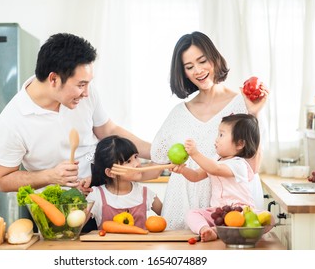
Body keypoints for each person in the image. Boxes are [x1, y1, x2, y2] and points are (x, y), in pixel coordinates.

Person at [0, 33, 151, 193]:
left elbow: (108, 131)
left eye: (88, 83)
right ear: (53, 79)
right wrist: (50, 176)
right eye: (81, 85)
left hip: (100, 197)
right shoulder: (11, 123)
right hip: (56, 211)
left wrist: (158, 152)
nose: (86, 93)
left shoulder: (84, 93)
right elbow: (3, 180)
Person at [151, 31, 269, 230]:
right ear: (184, 73)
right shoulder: (179, 113)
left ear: (214, 58)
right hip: (183, 204)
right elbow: (158, 157)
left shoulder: (243, 104)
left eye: (202, 61)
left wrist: (253, 114)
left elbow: (253, 167)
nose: (197, 70)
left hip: (230, 209)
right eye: (189, 67)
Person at [172, 114, 273, 242]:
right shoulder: (215, 160)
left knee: (269, 218)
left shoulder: (239, 164)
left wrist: (195, 153)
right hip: (218, 213)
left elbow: (216, 169)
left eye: (221, 135)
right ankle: (206, 230)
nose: (216, 140)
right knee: (191, 214)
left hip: (241, 212)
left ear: (240, 143)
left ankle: (231, 230)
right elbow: (196, 176)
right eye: (218, 134)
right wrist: (182, 170)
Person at [86, 135, 163, 229]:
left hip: (142, 244)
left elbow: (169, 216)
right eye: (128, 161)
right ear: (110, 173)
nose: (137, 164)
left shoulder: (145, 193)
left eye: (136, 157)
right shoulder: (96, 196)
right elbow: (76, 227)